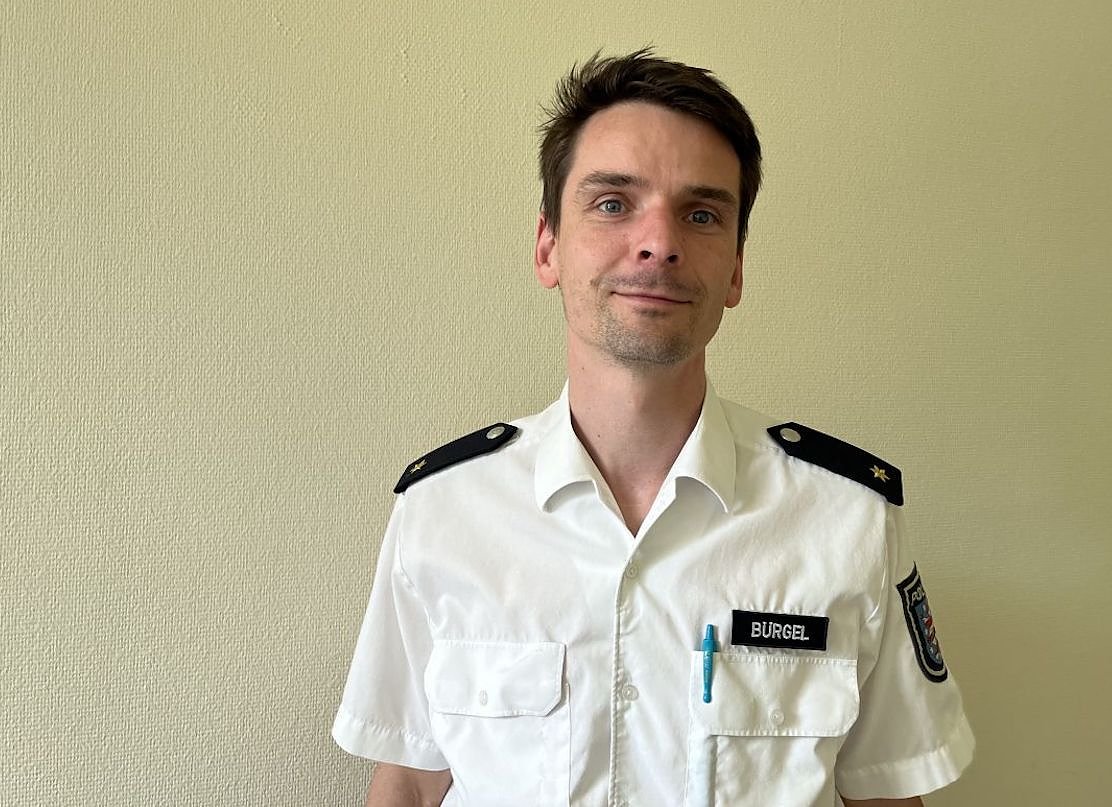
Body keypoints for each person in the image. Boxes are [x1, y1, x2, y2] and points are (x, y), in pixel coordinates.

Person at [333, 49, 974, 807]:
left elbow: (887, 793)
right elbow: (409, 781)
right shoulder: (443, 511)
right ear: (548, 246)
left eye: (701, 215)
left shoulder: (849, 518)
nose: (659, 242)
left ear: (736, 269)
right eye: (613, 203)